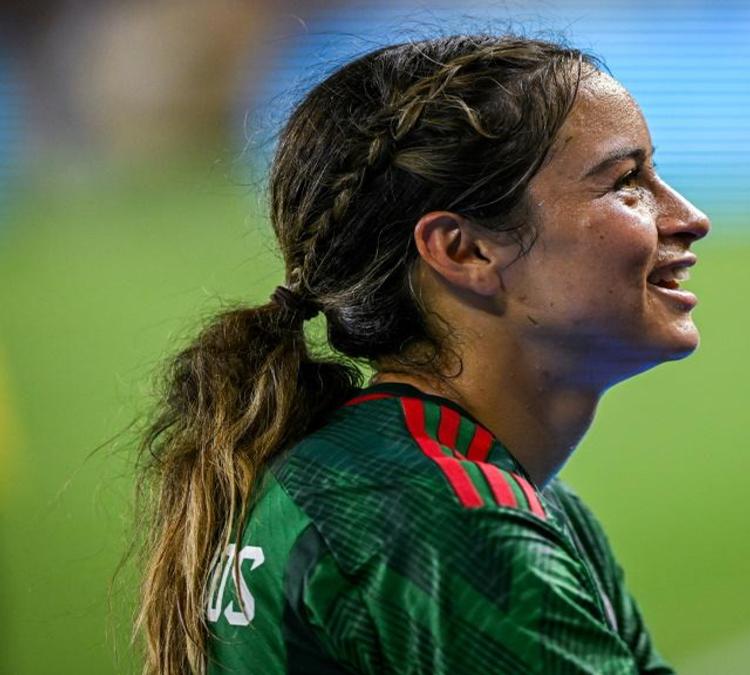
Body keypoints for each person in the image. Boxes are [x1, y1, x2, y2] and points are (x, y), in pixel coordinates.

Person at [133, 33, 710, 675]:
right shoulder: (453, 520)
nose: (689, 216)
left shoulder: (410, 480)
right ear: (463, 251)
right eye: (626, 183)